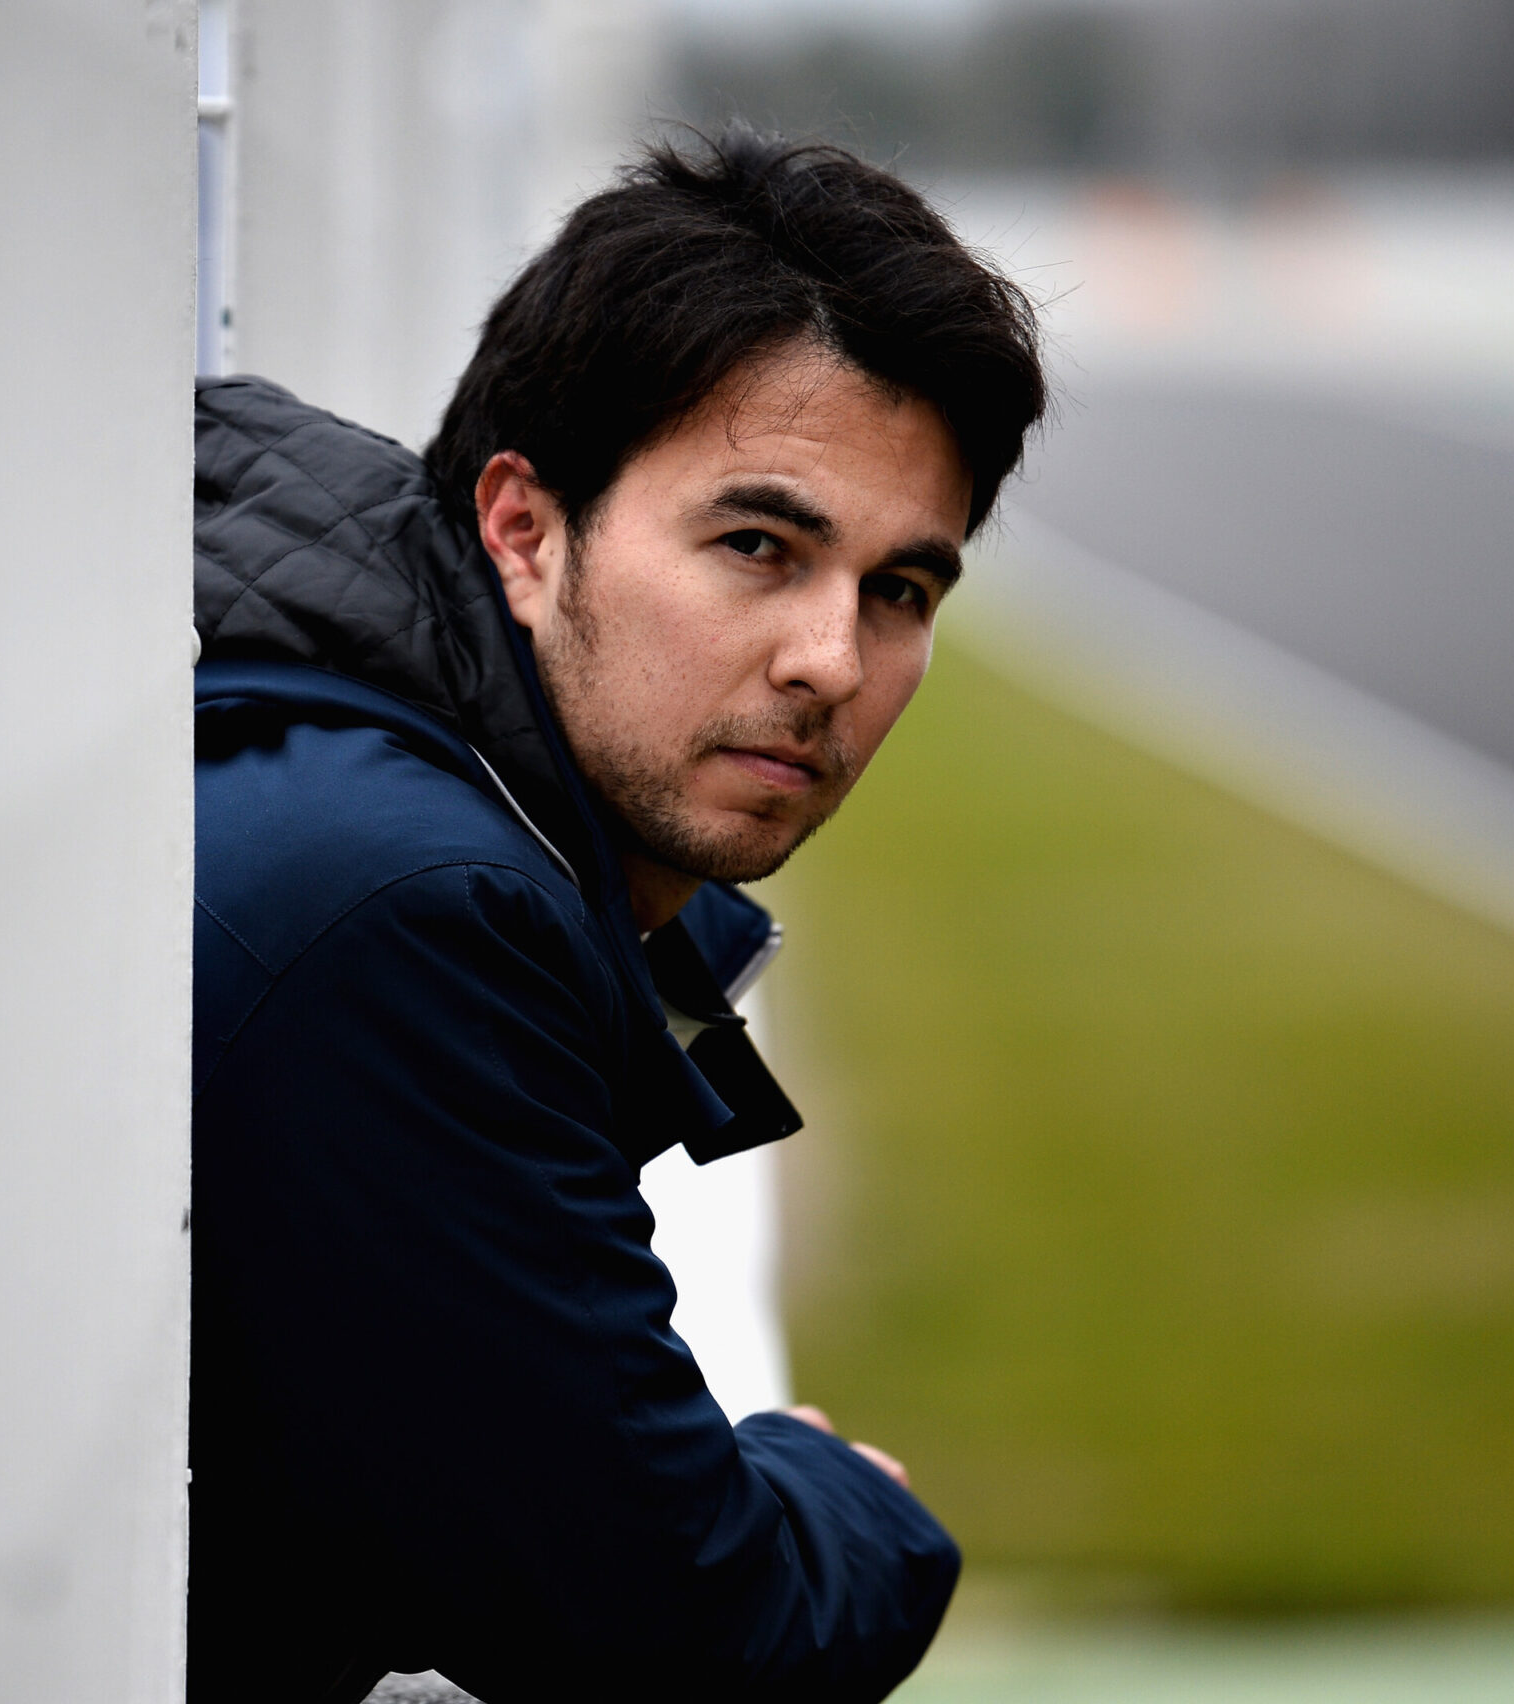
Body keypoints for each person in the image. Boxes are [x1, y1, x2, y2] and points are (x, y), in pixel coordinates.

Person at [189, 129, 1046, 1702]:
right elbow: (680, 1637)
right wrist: (853, 1504)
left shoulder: (389, 787)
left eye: (899, 591)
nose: (832, 662)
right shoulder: (407, 905)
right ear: (523, 530)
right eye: (757, 548)